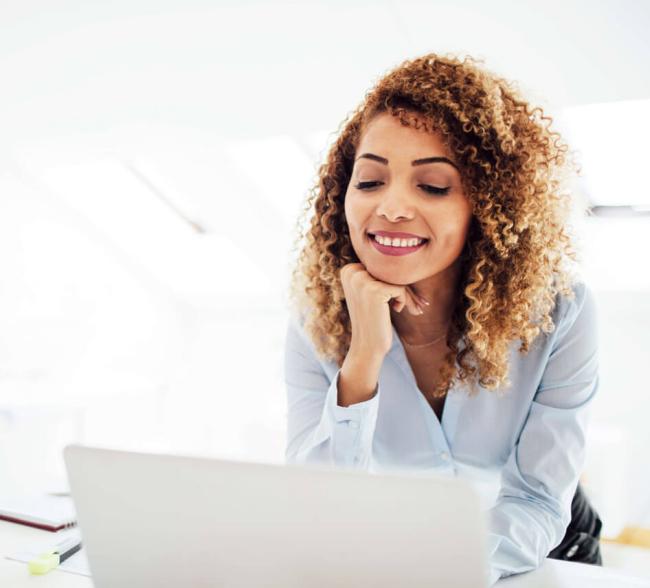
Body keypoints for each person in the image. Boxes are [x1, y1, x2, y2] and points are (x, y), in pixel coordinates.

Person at [284, 52, 602, 585]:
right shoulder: (317, 317)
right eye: (369, 182)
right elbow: (316, 504)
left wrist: (446, 572)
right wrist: (362, 360)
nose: (391, 207)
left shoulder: (560, 312)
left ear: (488, 203)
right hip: (417, 554)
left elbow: (535, 500)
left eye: (432, 186)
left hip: (543, 547)